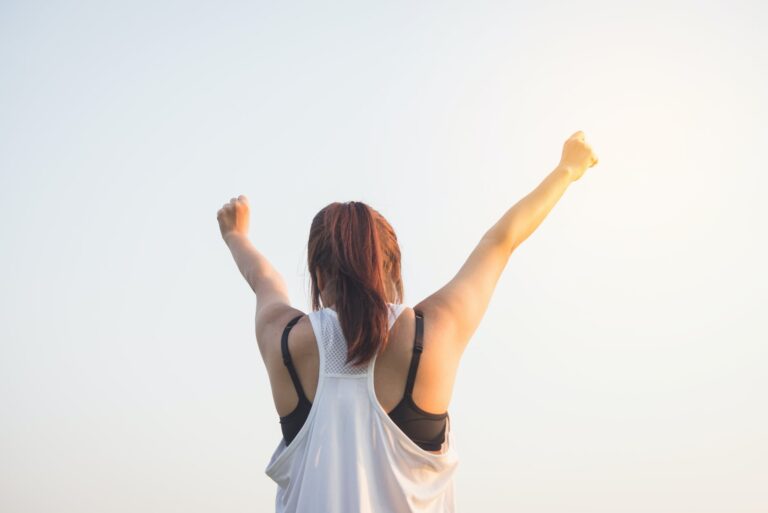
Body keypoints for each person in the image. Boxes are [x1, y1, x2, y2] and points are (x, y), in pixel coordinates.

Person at [216, 131, 599, 512]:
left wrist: (236, 235)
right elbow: (500, 242)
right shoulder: (432, 335)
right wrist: (567, 169)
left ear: (317, 275)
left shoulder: (284, 342)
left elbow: (264, 280)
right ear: (394, 268)